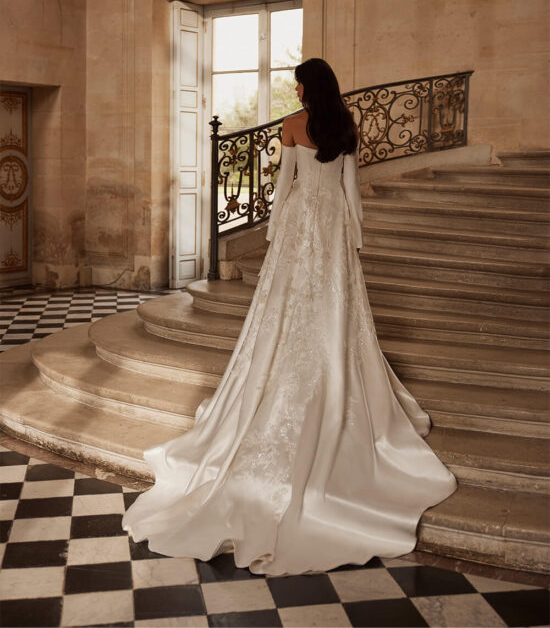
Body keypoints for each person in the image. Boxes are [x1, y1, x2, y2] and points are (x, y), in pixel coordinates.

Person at [122, 57, 457, 575]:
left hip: (301, 221)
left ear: (308, 86)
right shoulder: (346, 126)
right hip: (335, 225)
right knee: (333, 302)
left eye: (298, 80)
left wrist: (276, 234)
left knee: (288, 303)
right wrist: (356, 238)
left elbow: (284, 185)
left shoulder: (292, 125)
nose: (295, 86)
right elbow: (350, 190)